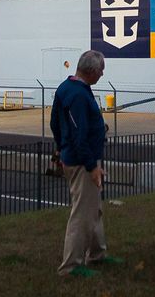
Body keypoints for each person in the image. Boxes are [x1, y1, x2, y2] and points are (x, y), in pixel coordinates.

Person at [51, 49, 122, 276]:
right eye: (101, 70)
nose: (102, 74)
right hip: (82, 162)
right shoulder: (79, 96)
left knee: (94, 209)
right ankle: (71, 265)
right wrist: (91, 166)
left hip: (77, 156)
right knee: (82, 212)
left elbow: (56, 123)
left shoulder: (67, 88)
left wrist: (60, 145)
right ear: (91, 71)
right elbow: (79, 134)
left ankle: (97, 253)